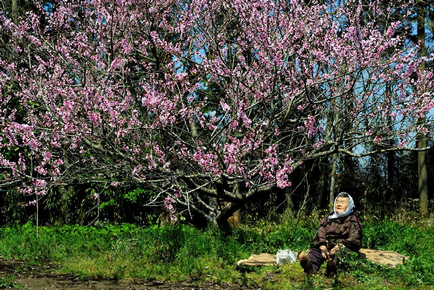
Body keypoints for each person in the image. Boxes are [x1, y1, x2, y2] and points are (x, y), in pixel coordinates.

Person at [300, 192, 363, 276]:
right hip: (326, 246)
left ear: (349, 206)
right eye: (337, 202)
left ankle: (332, 268)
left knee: (341, 255)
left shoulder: (352, 220)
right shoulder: (328, 218)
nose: (339, 204)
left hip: (341, 247)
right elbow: (320, 231)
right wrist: (322, 246)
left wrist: (341, 245)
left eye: (342, 202)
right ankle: (310, 268)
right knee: (314, 253)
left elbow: (355, 236)